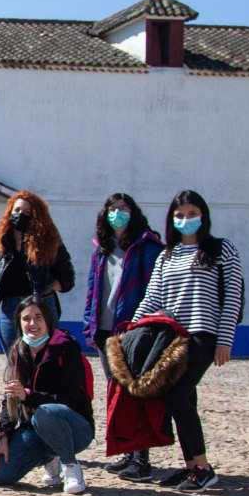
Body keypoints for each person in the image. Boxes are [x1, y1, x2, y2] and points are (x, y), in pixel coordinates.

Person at [131, 190, 244, 491]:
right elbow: (152, 297)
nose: (186, 220)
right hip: (170, 337)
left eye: (192, 214)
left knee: (177, 395)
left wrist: (225, 340)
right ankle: (193, 466)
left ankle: (203, 468)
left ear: (203, 215)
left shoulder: (221, 249)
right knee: (184, 397)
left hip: (202, 336)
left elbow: (233, 296)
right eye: (180, 215)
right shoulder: (166, 256)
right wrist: (132, 330)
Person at [82, 193, 163, 480]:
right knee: (117, 393)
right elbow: (93, 288)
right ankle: (128, 451)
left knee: (135, 391)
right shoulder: (101, 249)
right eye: (113, 209)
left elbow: (155, 287)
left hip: (133, 330)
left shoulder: (146, 247)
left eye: (123, 209)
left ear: (134, 212)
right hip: (104, 330)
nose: (118, 213)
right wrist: (88, 324)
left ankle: (141, 458)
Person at [0, 296, 93, 494]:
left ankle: (70, 466)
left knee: (46, 412)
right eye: (26, 319)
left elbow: (72, 398)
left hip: (75, 426)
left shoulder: (66, 347)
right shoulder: (18, 351)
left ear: (48, 320)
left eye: (38, 317)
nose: (32, 324)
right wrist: (3, 438)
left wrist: (29, 396)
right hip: (35, 428)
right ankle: (50, 456)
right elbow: (9, 400)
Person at [0, 190, 75, 354]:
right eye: (17, 210)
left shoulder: (49, 240)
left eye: (26, 212)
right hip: (10, 308)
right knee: (15, 359)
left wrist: (47, 287)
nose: (20, 215)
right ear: (10, 211)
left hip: (42, 305)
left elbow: (67, 277)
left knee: (45, 358)